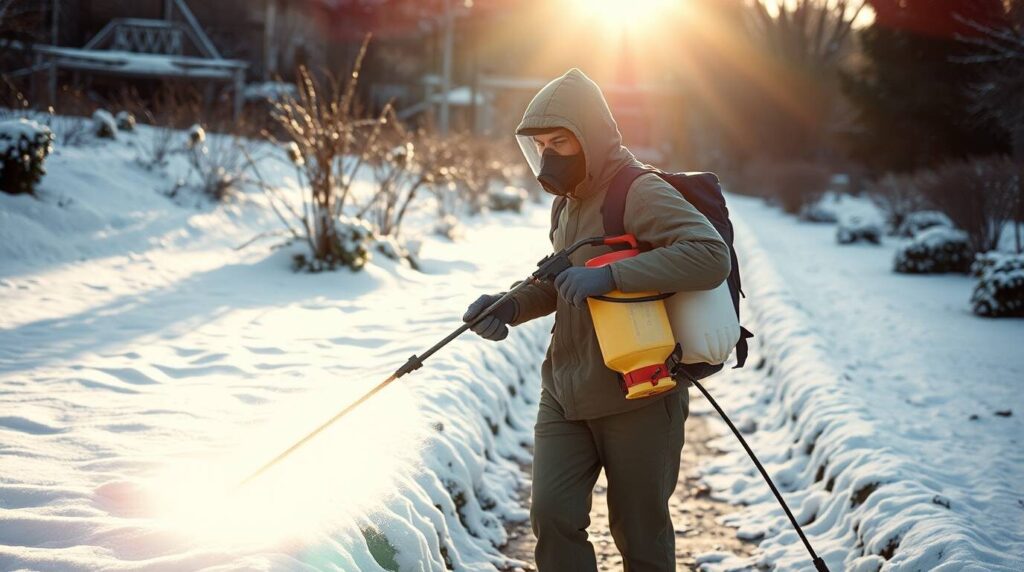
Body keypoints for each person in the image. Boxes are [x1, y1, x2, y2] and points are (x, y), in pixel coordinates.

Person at [463, 68, 731, 572]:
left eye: (559, 141)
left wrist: (611, 278)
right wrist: (510, 304)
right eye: (540, 144)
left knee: (640, 534)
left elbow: (709, 255)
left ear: (591, 135)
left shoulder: (638, 192)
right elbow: (563, 282)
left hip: (641, 392)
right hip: (565, 390)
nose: (548, 155)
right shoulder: (566, 204)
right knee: (553, 517)